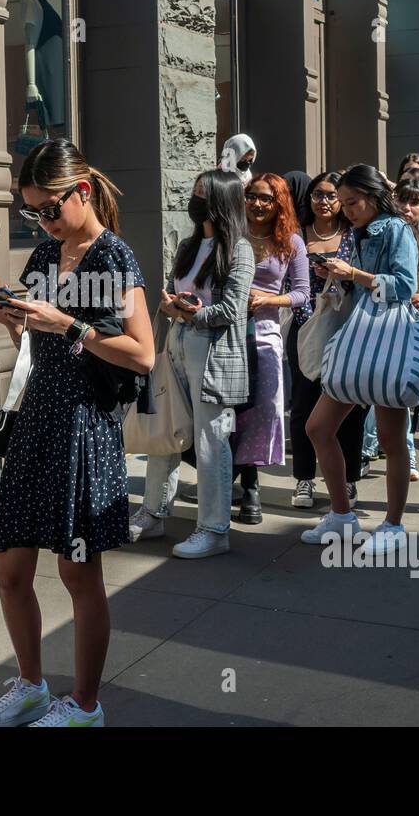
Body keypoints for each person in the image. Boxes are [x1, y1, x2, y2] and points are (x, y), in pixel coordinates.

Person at [0, 138, 153, 727]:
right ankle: (29, 684)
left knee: (78, 571)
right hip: (37, 420)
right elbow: (39, 331)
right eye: (31, 213)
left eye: (47, 209)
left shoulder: (113, 258)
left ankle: (84, 704)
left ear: (81, 192)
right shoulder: (48, 258)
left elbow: (143, 355)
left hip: (83, 424)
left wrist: (68, 323)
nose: (41, 222)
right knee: (10, 569)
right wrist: (13, 314)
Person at [128, 170, 255, 557]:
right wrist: (172, 306)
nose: (194, 199)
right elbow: (173, 287)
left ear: (220, 200)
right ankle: (153, 512)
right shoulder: (188, 244)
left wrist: (189, 314)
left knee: (210, 440)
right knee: (165, 428)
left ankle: (214, 528)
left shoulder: (239, 249)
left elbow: (232, 308)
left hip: (213, 351)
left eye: (202, 194)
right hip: (179, 343)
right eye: (195, 192)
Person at [300, 164, 419, 551]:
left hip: (385, 340)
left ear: (372, 196)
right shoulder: (357, 231)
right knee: (318, 427)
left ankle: (393, 525)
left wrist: (353, 273)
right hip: (355, 337)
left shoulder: (397, 229)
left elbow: (405, 286)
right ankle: (341, 515)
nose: (346, 210)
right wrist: (336, 275)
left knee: (390, 436)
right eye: (343, 202)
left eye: (352, 202)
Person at [229, 173, 309, 524]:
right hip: (224, 336)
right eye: (251, 196)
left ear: (279, 203)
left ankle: (251, 486)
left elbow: (303, 293)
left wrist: (268, 298)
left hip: (264, 337)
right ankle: (234, 480)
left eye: (266, 198)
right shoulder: (230, 235)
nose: (257, 204)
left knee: (261, 414)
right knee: (226, 415)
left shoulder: (291, 242)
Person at [288, 172, 368, 509]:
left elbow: (365, 281)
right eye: (318, 194)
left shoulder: (354, 235)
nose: (324, 201)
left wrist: (339, 273)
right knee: (304, 404)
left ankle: (347, 479)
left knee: (347, 406)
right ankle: (304, 480)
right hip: (304, 325)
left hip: (344, 325)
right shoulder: (296, 235)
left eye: (332, 196)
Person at [362, 172, 419, 481]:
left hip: (418, 320)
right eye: (403, 200)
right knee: (376, 389)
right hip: (384, 316)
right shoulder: (384, 232)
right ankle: (370, 449)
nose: (408, 207)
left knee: (401, 391)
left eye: (415, 202)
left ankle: (404, 456)